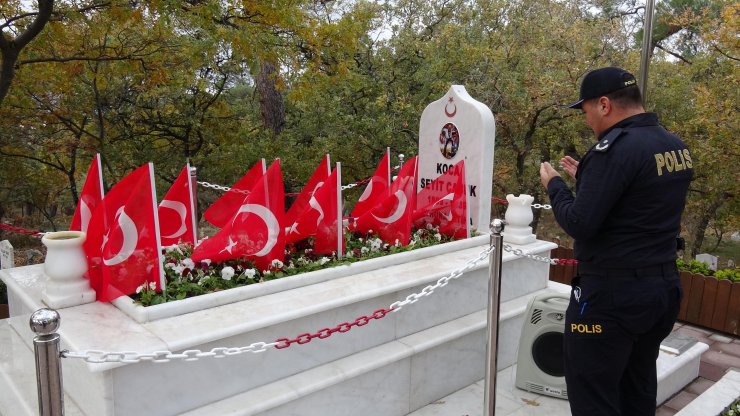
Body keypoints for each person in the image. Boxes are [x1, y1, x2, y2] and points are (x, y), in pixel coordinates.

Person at [539, 67, 694, 416]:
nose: (587, 120)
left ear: (605, 104)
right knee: (636, 387)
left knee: (593, 394)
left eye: (586, 110)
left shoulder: (614, 149)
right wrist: (591, 179)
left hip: (610, 300)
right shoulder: (673, 144)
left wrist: (555, 186)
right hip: (660, 291)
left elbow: (579, 222)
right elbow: (642, 202)